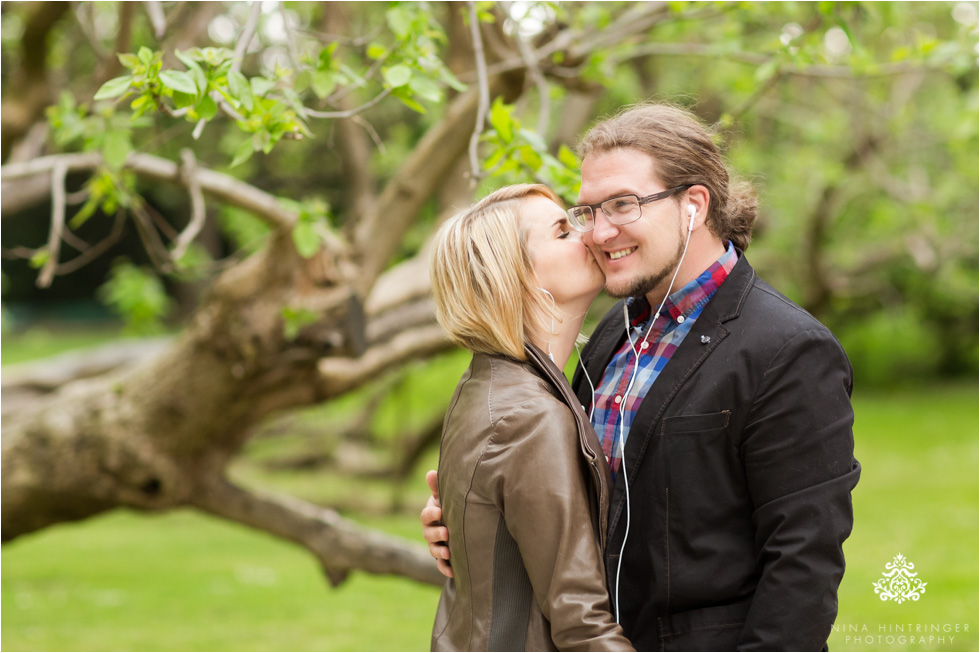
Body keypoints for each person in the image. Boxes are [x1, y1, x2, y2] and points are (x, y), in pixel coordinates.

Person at [422, 103, 861, 651]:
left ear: (692, 206)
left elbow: (803, 566)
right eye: (588, 211)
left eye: (622, 205)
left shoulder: (788, 350)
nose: (599, 233)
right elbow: (563, 491)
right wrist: (478, 521)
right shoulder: (614, 330)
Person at [427, 184, 634, 651]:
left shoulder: (483, 384)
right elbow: (582, 624)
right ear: (516, 276)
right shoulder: (529, 416)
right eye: (563, 231)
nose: (589, 234)